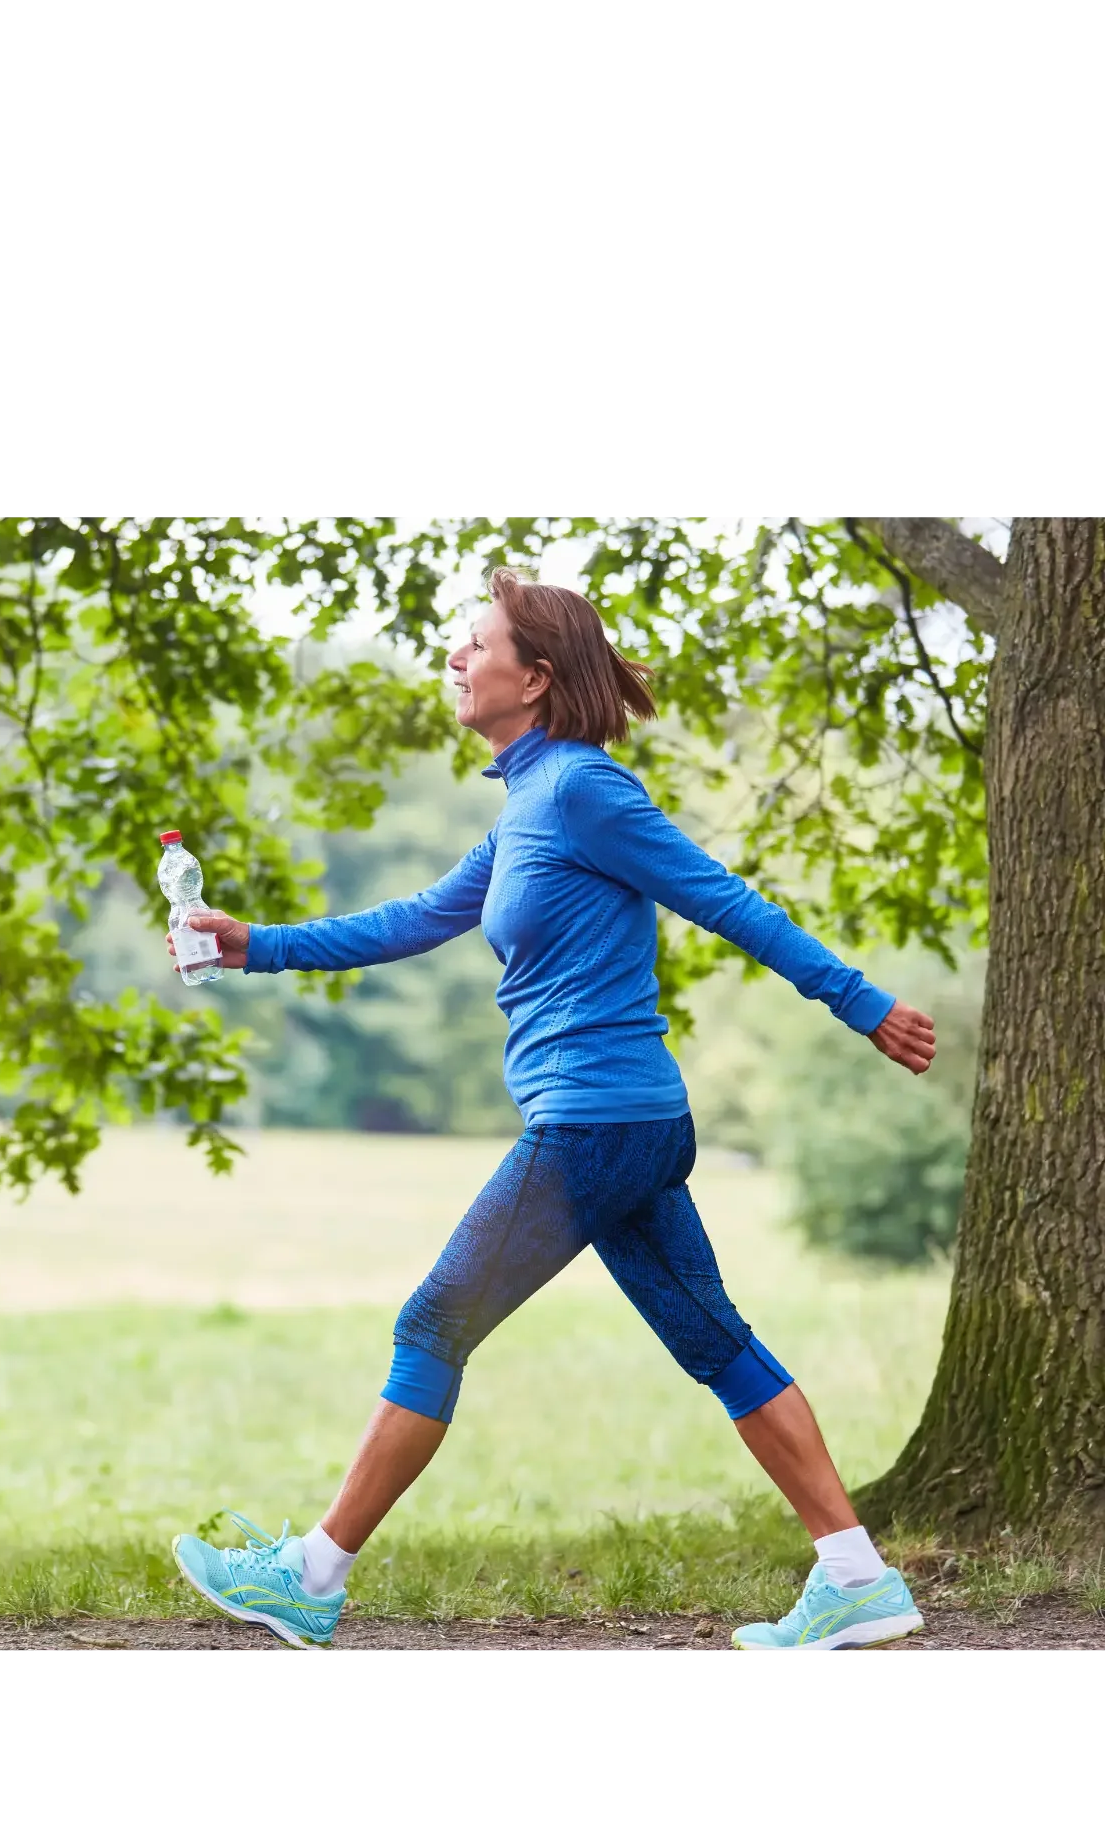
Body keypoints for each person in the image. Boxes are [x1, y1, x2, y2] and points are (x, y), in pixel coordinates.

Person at [168, 570, 938, 1655]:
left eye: (473, 643)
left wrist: (858, 1003)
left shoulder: (583, 791)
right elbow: (415, 918)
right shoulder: (528, 804)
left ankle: (310, 1576)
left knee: (432, 1324)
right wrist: (255, 947)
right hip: (619, 1126)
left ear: (532, 678)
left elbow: (721, 898)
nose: (454, 658)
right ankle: (855, 1578)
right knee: (714, 1342)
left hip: (592, 1124)